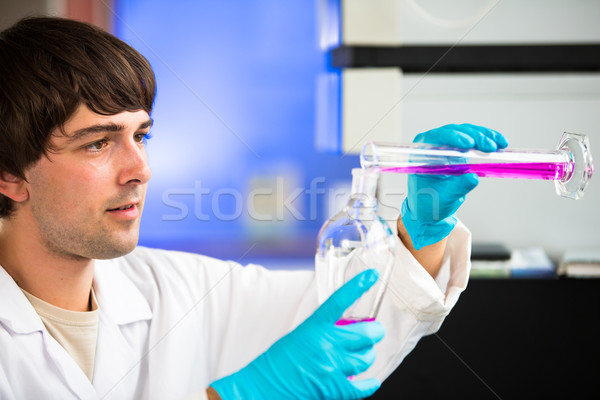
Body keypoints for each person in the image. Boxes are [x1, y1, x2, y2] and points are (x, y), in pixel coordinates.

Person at [0, 16, 507, 400]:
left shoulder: (173, 290)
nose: (140, 168)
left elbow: (347, 318)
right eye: (97, 143)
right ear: (10, 175)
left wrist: (422, 228)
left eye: (141, 135)